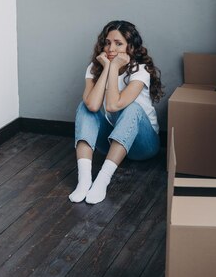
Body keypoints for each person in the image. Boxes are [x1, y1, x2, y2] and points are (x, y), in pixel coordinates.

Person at [69, 20, 164, 204]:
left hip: (143, 146)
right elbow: (93, 106)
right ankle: (84, 180)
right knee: (84, 106)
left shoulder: (140, 70)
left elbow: (113, 105)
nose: (111, 48)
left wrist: (113, 68)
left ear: (130, 47)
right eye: (107, 42)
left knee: (133, 108)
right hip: (112, 141)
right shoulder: (94, 68)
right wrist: (106, 69)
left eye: (118, 43)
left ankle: (102, 180)